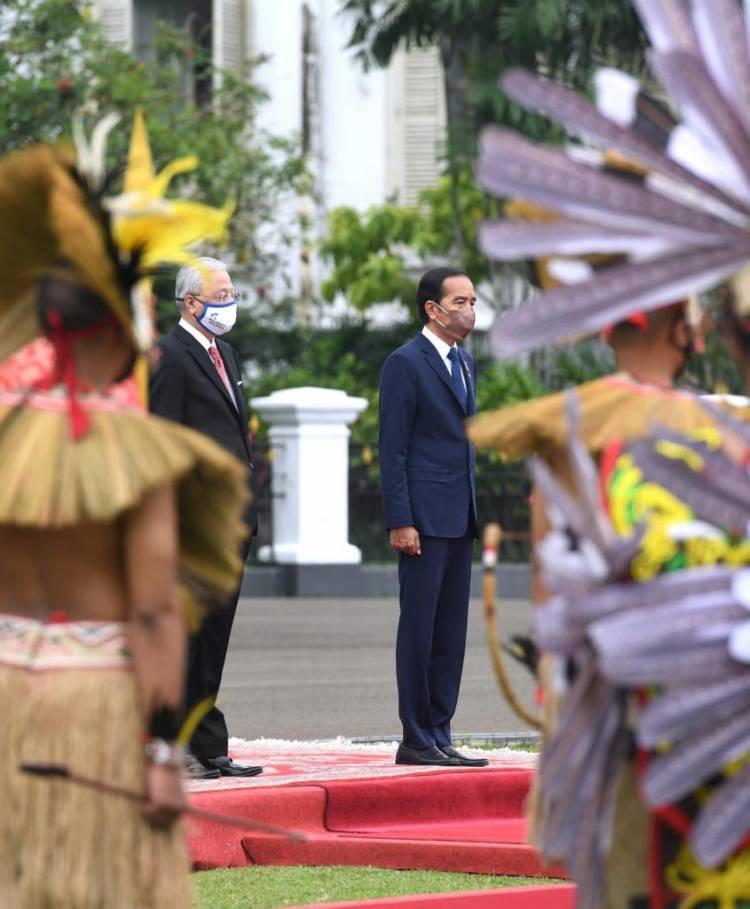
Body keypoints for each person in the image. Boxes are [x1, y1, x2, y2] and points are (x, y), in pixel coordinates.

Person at [0, 124, 248, 907]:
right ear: (124, 327)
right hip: (96, 703)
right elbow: (151, 608)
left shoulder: (11, 447)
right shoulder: (130, 458)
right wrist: (162, 754)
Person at [150, 257, 260, 779]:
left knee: (214, 635)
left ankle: (208, 743)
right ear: (191, 302)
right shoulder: (169, 357)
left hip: (231, 520)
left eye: (232, 292)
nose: (230, 302)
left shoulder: (226, 353)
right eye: (222, 293)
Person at [378, 266, 488, 768]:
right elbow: (393, 448)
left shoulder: (464, 362)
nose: (469, 309)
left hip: (459, 516)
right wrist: (401, 519)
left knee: (451, 633)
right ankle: (416, 737)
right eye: (460, 301)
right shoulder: (405, 363)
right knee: (419, 630)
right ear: (433, 309)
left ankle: (441, 730)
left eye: (471, 301)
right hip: (422, 520)